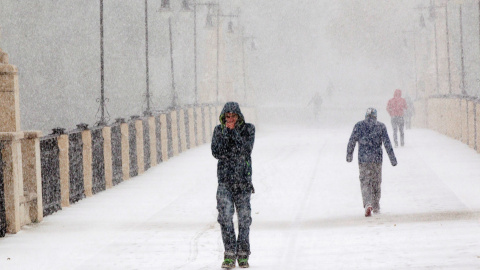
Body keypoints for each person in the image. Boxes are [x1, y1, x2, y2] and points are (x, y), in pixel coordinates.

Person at [211, 101, 255, 269]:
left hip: (243, 182)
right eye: (227, 116)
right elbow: (217, 152)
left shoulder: (248, 129)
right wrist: (227, 135)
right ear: (223, 117)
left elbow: (245, 149)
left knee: (244, 219)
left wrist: (233, 133)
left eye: (233, 116)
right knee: (225, 218)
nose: (230, 119)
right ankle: (229, 253)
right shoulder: (218, 131)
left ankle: (243, 254)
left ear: (239, 117)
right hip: (225, 182)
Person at [347, 108, 397, 217]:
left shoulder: (359, 126)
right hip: (377, 159)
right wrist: (392, 159)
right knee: (376, 182)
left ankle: (367, 203)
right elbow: (387, 143)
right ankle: (376, 205)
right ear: (375, 116)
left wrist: (349, 155)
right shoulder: (381, 126)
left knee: (365, 182)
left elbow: (352, 141)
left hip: (363, 159)